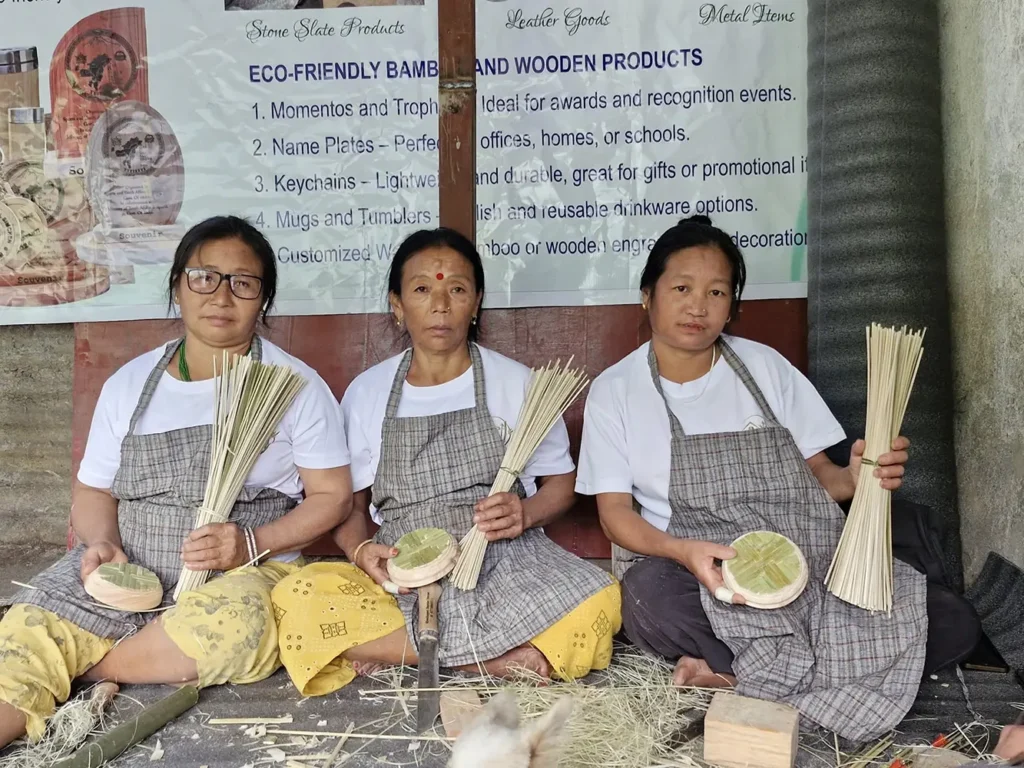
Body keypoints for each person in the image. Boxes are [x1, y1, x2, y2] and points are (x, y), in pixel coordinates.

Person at [575, 215, 980, 742]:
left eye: (717, 292)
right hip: (706, 574)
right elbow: (615, 516)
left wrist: (856, 478)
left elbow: (822, 478)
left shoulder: (765, 368)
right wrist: (684, 553)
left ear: (732, 304)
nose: (698, 306)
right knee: (646, 598)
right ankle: (828, 675)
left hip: (806, 558)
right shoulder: (618, 390)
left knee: (953, 623)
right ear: (648, 295)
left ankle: (731, 677)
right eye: (682, 288)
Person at [0, 216, 353, 748]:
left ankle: (89, 666)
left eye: (243, 282)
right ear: (177, 286)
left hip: (241, 573)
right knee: (25, 632)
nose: (221, 295)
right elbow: (94, 491)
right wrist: (103, 543)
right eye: (204, 277)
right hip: (131, 566)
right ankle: (110, 658)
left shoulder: (293, 387)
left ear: (263, 300)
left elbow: (333, 497)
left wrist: (252, 544)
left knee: (239, 631)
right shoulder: (130, 384)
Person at [272, 228, 620, 697]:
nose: (440, 304)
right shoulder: (367, 393)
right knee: (297, 599)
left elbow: (561, 484)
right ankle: (494, 658)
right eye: (422, 289)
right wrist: (360, 553)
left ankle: (398, 650)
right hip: (404, 567)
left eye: (456, 289)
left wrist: (524, 513)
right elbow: (349, 509)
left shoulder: (518, 384)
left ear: (475, 302)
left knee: (599, 601)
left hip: (503, 559)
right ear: (397, 305)